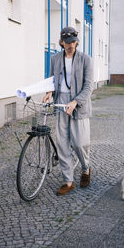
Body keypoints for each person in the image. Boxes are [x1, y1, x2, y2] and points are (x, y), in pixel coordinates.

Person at [43, 26, 94, 195]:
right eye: (67, 42)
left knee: (79, 143)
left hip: (78, 104)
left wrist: (75, 101)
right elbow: (52, 80)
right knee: (62, 144)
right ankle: (68, 181)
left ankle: (86, 168)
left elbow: (88, 86)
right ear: (61, 42)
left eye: (73, 41)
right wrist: (49, 92)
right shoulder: (55, 58)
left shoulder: (86, 59)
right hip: (60, 103)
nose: (71, 45)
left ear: (77, 41)